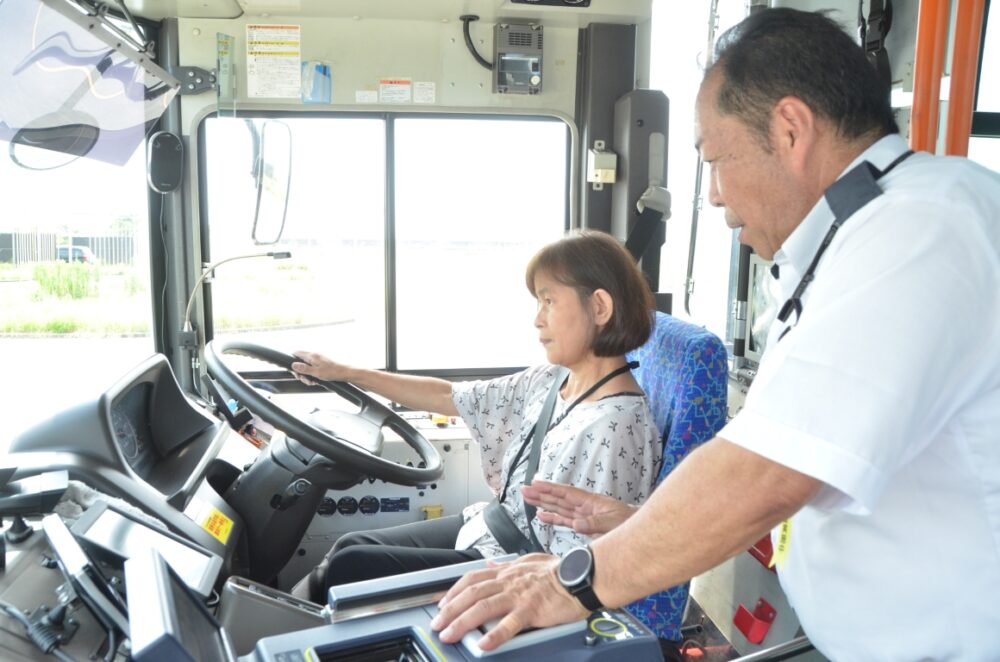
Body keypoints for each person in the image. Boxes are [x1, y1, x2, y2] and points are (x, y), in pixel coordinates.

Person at [430, 8, 1000, 660]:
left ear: (790, 129)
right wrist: (630, 526)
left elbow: (764, 473)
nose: (716, 196)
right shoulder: (854, 239)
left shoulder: (921, 230)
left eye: (717, 160)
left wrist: (577, 580)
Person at [288, 230, 663, 603]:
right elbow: (449, 396)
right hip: (488, 527)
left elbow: (585, 566)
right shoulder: (552, 379)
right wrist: (346, 372)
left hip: (518, 569)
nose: (537, 319)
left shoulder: (618, 427)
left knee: (348, 569)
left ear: (599, 308)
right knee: (350, 546)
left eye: (549, 301)